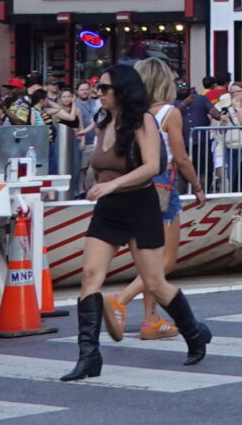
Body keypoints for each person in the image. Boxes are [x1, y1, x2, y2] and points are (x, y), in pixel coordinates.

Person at [60, 62, 212, 379]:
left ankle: (193, 333)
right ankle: (88, 356)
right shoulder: (103, 121)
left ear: (123, 90)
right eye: (97, 88)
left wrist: (113, 183)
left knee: (154, 281)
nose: (99, 93)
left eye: (105, 88)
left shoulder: (143, 121)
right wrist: (94, 183)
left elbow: (153, 165)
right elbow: (100, 163)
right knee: (90, 275)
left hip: (140, 206)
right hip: (108, 209)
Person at [105, 58, 205, 344]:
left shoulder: (131, 115)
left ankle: (151, 318)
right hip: (163, 185)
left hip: (136, 187)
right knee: (166, 261)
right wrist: (197, 186)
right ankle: (121, 300)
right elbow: (181, 157)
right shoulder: (169, 113)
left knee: (150, 258)